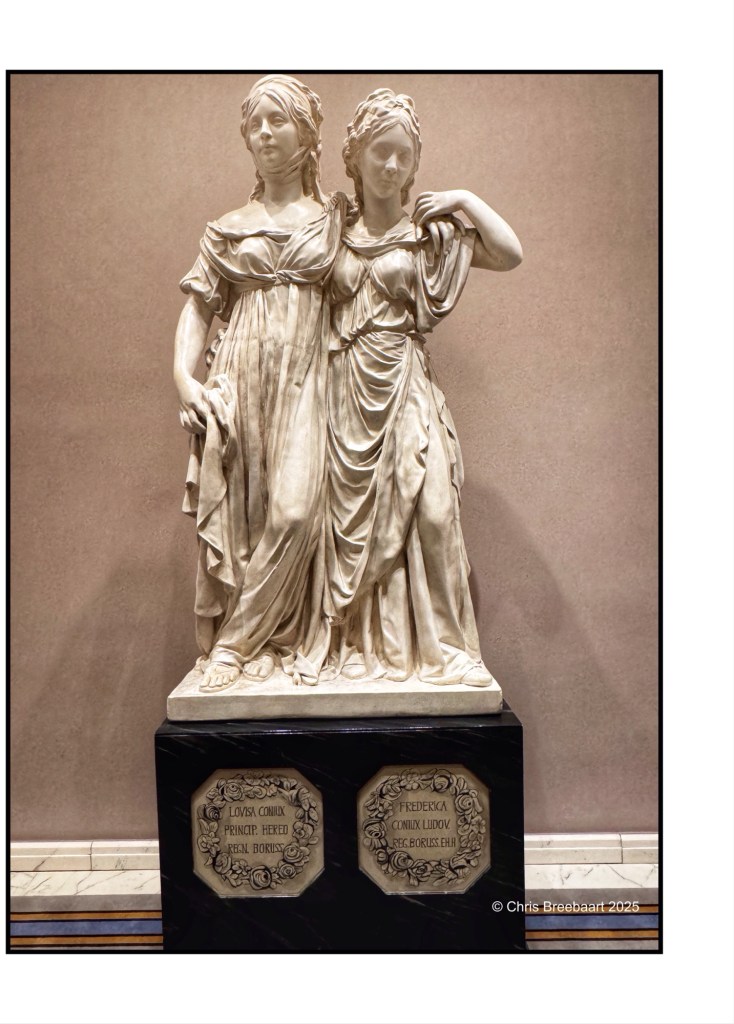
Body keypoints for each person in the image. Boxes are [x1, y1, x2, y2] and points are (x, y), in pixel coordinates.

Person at [323, 89, 522, 685]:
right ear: (355, 157)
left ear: (414, 167)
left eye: (403, 157)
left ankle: (448, 650)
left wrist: (463, 199)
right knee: (348, 529)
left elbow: (509, 253)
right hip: (343, 390)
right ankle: (363, 648)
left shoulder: (428, 235)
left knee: (434, 512)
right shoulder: (330, 232)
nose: (391, 166)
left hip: (405, 381)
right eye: (380, 152)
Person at [174, 75, 345, 691]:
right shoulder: (228, 226)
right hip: (241, 376)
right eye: (255, 124)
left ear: (307, 133)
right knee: (248, 518)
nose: (265, 133)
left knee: (295, 511)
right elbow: (199, 306)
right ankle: (260, 646)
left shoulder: (334, 221)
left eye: (278, 120)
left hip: (311, 377)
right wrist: (183, 379)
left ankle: (235, 644)